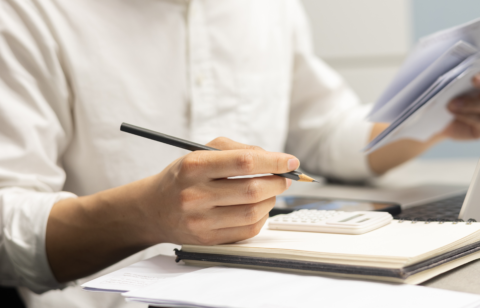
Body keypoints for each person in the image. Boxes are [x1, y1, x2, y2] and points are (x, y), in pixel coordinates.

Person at [1, 0, 480, 307]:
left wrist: (438, 113)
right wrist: (144, 215)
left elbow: (322, 135)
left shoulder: (269, 9)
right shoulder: (24, 14)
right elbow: (7, 229)